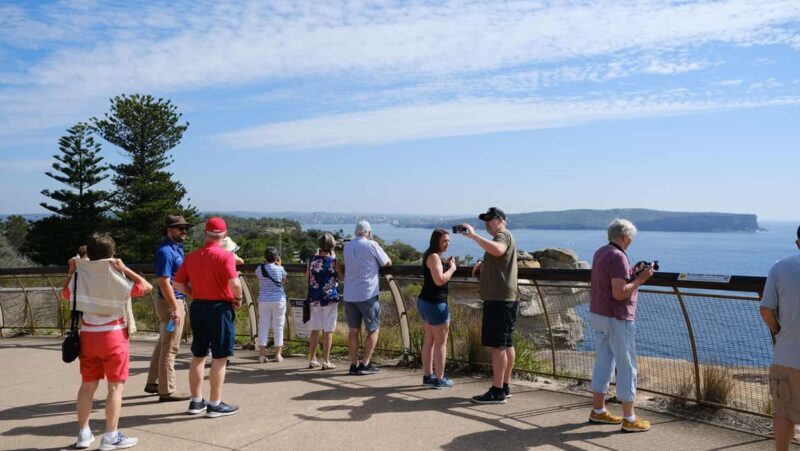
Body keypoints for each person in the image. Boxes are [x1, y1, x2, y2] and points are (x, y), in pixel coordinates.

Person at [62, 233, 153, 450]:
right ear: (111, 254)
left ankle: (83, 433)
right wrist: (124, 268)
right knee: (115, 388)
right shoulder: (116, 276)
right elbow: (146, 286)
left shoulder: (80, 276)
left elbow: (66, 294)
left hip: (88, 335)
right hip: (113, 335)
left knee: (87, 385)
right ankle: (111, 435)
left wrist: (71, 271)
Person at [587, 218, 654, 432]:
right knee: (626, 366)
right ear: (625, 237)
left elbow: (612, 282)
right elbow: (619, 293)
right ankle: (629, 418)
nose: (631, 242)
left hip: (599, 313)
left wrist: (632, 272)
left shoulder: (601, 252)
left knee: (604, 361)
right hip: (617, 318)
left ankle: (598, 410)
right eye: (631, 238)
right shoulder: (618, 256)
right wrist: (641, 279)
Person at [172, 217, 243, 418]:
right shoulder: (225, 256)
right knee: (220, 356)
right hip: (219, 308)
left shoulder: (192, 256)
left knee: (198, 355)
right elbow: (235, 284)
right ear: (224, 236)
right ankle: (215, 403)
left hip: (199, 307)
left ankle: (196, 401)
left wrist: (195, 294)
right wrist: (237, 299)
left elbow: (177, 284)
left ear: (206, 233)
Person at [459, 207, 518, 404]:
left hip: (499, 299)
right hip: (505, 298)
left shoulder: (502, 235)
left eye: (490, 220)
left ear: (500, 219)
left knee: (498, 346)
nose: (486, 224)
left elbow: (499, 250)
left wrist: (473, 236)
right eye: (485, 220)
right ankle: (505, 385)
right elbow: (498, 256)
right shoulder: (503, 236)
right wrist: (482, 262)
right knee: (506, 344)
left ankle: (497, 390)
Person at [760, 225, 800, 450]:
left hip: (787, 354)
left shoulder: (780, 268)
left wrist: (778, 330)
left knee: (784, 411)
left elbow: (766, 310)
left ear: (798, 243)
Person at [145, 215, 191, 402]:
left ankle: (153, 382)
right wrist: (176, 308)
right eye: (180, 228)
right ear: (169, 230)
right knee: (170, 348)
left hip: (172, 301)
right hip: (171, 303)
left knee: (163, 343)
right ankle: (167, 390)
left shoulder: (176, 249)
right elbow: (164, 282)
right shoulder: (166, 252)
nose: (184, 231)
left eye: (185, 228)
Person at [343, 220, 392, 375]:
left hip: (350, 294)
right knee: (373, 329)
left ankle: (353, 364)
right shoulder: (371, 245)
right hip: (367, 293)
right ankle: (365, 363)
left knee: (353, 330)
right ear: (369, 233)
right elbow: (387, 262)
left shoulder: (347, 246)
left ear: (356, 232)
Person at [418, 229, 458, 389]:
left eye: (448, 241)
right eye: (444, 241)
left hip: (425, 302)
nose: (447, 243)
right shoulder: (434, 257)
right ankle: (440, 379)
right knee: (441, 344)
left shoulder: (431, 255)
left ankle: (428, 376)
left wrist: (446, 264)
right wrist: (453, 268)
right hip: (436, 304)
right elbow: (440, 280)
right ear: (436, 241)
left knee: (429, 340)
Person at [306, 233, 342, 370]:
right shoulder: (334, 261)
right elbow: (341, 276)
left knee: (314, 330)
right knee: (328, 330)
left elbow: (307, 276)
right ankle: (326, 361)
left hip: (314, 297)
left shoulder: (311, 259)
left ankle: (312, 359)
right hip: (330, 298)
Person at [255, 246, 288, 363]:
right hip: (279, 300)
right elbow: (284, 281)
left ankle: (262, 355)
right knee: (278, 327)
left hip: (263, 300)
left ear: (265, 257)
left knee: (263, 326)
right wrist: (279, 266)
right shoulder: (280, 269)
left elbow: (260, 279)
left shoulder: (259, 269)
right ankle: (278, 355)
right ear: (276, 258)